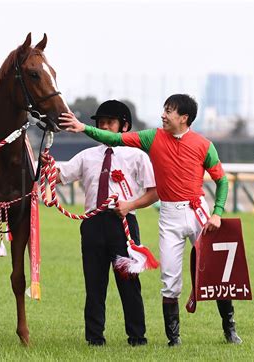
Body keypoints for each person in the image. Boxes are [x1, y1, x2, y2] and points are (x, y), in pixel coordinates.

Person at [60, 94, 242, 346]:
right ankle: (173, 339)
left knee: (215, 272)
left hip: (198, 211)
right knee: (169, 279)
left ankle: (229, 328)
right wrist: (83, 128)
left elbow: (221, 180)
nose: (163, 115)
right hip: (168, 214)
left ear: (184, 118)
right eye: (164, 109)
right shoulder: (151, 137)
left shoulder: (204, 144)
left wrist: (218, 212)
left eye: (169, 111)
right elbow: (114, 138)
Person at [43, 100, 157, 347]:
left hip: (123, 224)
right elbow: (60, 175)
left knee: (129, 283)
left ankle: (137, 337)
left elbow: (153, 192)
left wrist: (130, 205)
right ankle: (95, 337)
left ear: (123, 126)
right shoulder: (86, 156)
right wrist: (46, 164)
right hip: (93, 225)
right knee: (94, 283)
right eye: (101, 123)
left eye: (110, 122)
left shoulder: (137, 155)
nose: (104, 127)